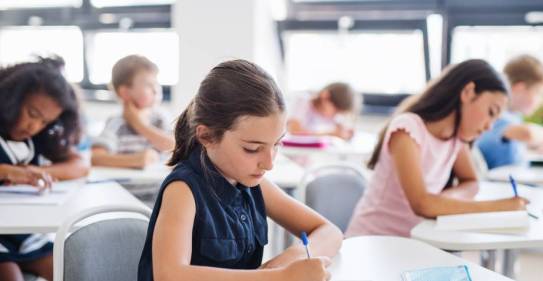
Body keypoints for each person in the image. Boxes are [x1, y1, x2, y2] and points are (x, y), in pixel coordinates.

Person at [137, 59, 342, 281]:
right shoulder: (183, 190)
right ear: (206, 136)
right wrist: (278, 278)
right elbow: (169, 275)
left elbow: (330, 231)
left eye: (276, 144)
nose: (269, 163)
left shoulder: (253, 182)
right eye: (252, 149)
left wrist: (289, 261)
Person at [346, 59, 528, 238]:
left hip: (415, 241)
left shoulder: (456, 139)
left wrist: (443, 200)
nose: (489, 127)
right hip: (372, 241)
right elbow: (422, 205)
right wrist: (500, 206)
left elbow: (471, 182)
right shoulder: (408, 129)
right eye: (491, 112)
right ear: (468, 92)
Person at [0, 56, 88, 281]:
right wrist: (9, 171)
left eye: (45, 122)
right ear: (12, 99)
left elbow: (80, 165)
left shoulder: (35, 139)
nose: (34, 126)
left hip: (23, 231)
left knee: (71, 271)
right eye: (32, 114)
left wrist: (34, 173)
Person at [477, 54, 543, 169]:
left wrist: (539, 147)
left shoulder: (514, 116)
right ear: (519, 88)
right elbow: (527, 133)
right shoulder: (497, 114)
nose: (541, 102)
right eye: (539, 93)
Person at [91, 55, 174, 169]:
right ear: (125, 92)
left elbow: (174, 146)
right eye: (149, 85)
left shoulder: (161, 118)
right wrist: (135, 160)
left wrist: (139, 125)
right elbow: (95, 158)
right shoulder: (117, 123)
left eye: (156, 84)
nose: (156, 90)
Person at [287, 82, 359, 140]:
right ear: (325, 96)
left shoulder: (332, 115)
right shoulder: (303, 100)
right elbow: (294, 131)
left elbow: (341, 126)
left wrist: (346, 131)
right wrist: (330, 133)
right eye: (335, 111)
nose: (335, 115)